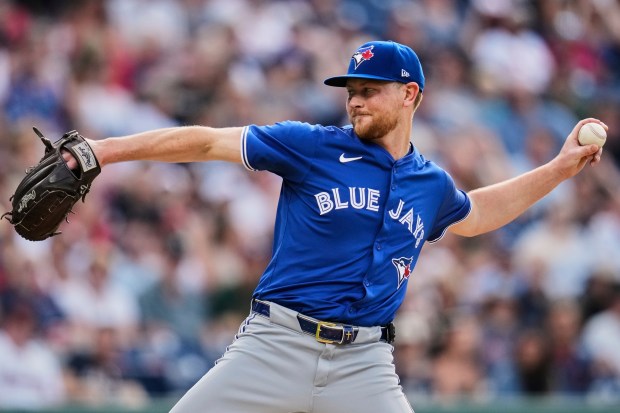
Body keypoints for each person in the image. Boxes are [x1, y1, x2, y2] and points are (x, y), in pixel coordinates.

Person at [64, 40, 607, 412]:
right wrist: (104, 151)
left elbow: (479, 214)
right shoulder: (313, 145)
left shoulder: (430, 184)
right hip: (276, 344)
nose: (354, 100)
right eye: (351, 90)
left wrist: (560, 168)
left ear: (409, 94)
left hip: (364, 362)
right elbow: (208, 140)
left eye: (369, 89)